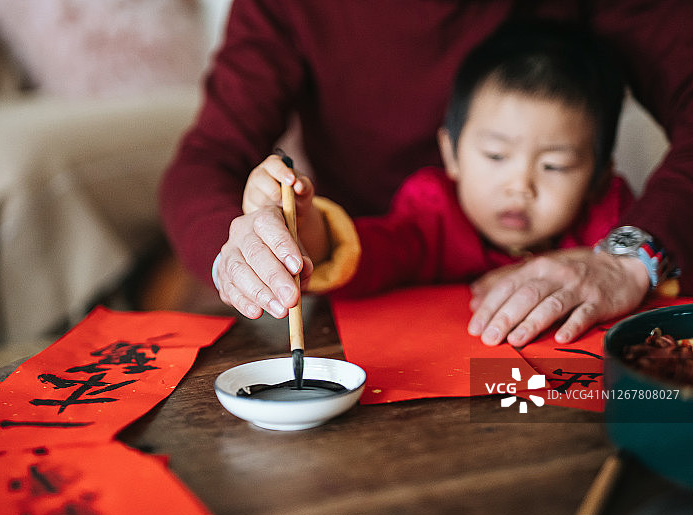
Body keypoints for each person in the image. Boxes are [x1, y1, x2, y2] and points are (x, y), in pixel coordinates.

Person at [159, 1, 693, 346]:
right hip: (376, 298)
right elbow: (208, 160)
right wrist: (255, 253)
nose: (520, 183)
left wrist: (632, 257)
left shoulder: (608, 207)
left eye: (553, 164)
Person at [238, 20, 634, 323]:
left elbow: (667, 279)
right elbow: (367, 255)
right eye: (496, 156)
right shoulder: (433, 211)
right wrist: (301, 225)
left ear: (599, 176)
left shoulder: (615, 225)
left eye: (555, 165)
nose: (520, 186)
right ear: (452, 153)